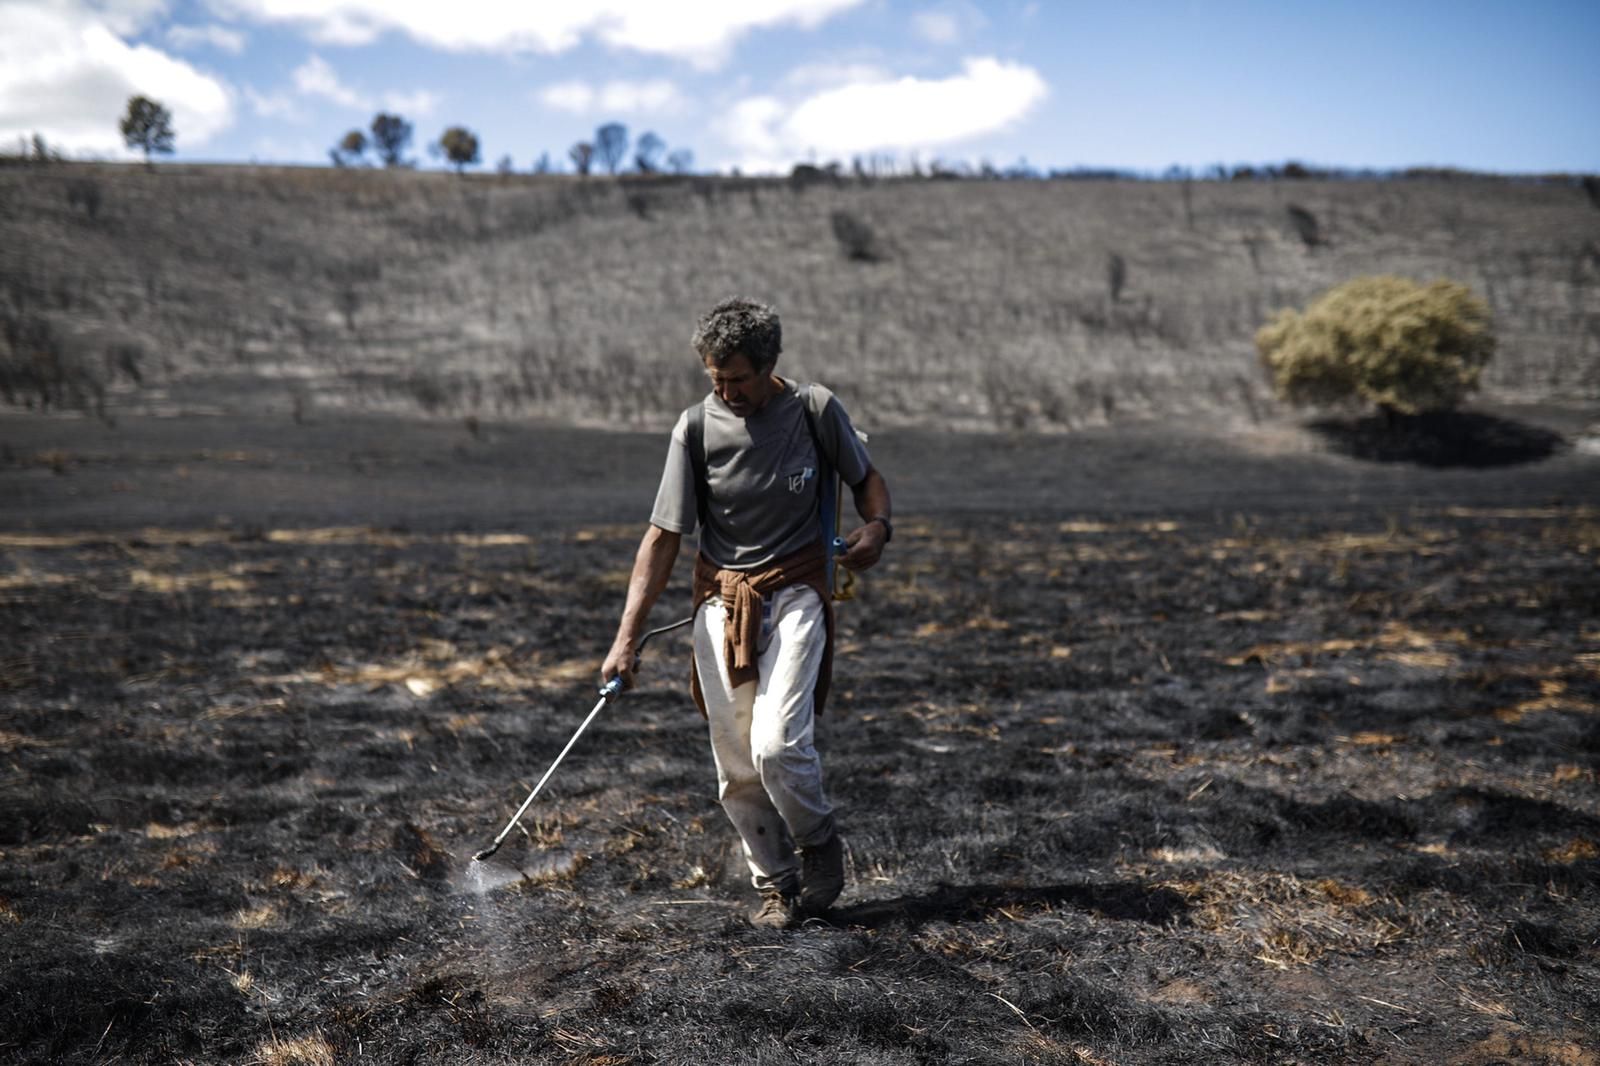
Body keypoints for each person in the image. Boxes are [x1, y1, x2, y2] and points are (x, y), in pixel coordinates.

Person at [601, 297, 892, 929]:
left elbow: (867, 479)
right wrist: (627, 639)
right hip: (720, 604)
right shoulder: (696, 428)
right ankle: (776, 884)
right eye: (715, 378)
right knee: (735, 760)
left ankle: (819, 845)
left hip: (796, 592)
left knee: (778, 743)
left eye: (737, 378)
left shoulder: (815, 411)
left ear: (769, 365)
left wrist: (878, 528)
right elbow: (662, 537)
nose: (726, 390)